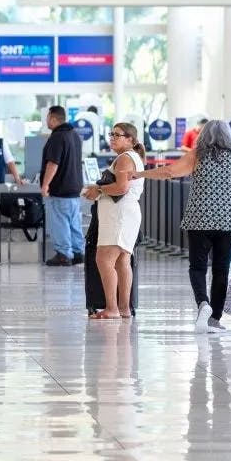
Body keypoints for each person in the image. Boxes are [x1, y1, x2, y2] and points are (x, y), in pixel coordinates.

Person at [136, 120, 231, 333]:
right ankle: (215, 320)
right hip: (228, 220)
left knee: (198, 266)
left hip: (199, 218)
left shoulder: (197, 155)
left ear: (204, 135)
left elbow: (170, 172)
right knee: (221, 270)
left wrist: (140, 174)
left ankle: (203, 303)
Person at [83, 123, 145, 319]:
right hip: (124, 214)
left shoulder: (126, 158)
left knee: (104, 259)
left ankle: (112, 308)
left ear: (130, 140)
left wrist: (98, 190)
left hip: (119, 216)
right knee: (122, 261)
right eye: (111, 134)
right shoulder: (129, 157)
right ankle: (123, 308)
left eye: (117, 135)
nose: (112, 138)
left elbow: (121, 187)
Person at [40, 105, 85, 267]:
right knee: (74, 222)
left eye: (47, 117)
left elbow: (53, 163)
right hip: (74, 189)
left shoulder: (57, 137)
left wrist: (45, 185)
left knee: (60, 222)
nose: (46, 121)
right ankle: (78, 252)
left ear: (53, 118)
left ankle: (64, 254)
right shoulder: (74, 136)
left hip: (60, 189)